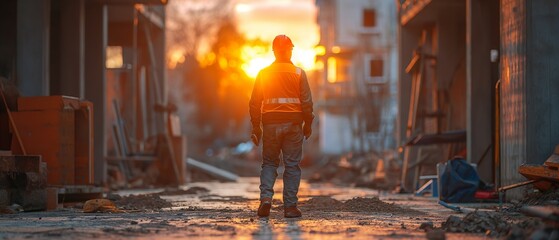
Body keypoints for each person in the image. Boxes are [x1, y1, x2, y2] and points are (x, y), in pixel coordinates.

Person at [249, 34, 314, 218]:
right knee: (292, 165)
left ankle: (266, 199)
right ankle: (290, 208)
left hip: (270, 124)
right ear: (290, 50)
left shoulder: (263, 73)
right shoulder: (299, 73)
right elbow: (307, 102)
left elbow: (254, 103)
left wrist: (256, 127)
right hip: (294, 125)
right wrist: (308, 125)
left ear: (274, 51)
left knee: (269, 163)